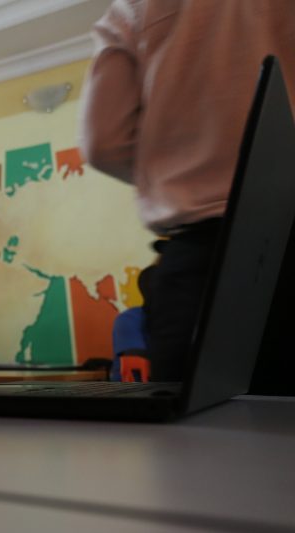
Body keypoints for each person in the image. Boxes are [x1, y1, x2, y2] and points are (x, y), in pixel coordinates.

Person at [79, 0, 295, 381]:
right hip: (287, 214)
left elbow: (103, 144)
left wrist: (173, 171)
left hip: (200, 263)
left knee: (206, 433)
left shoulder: (131, 10)